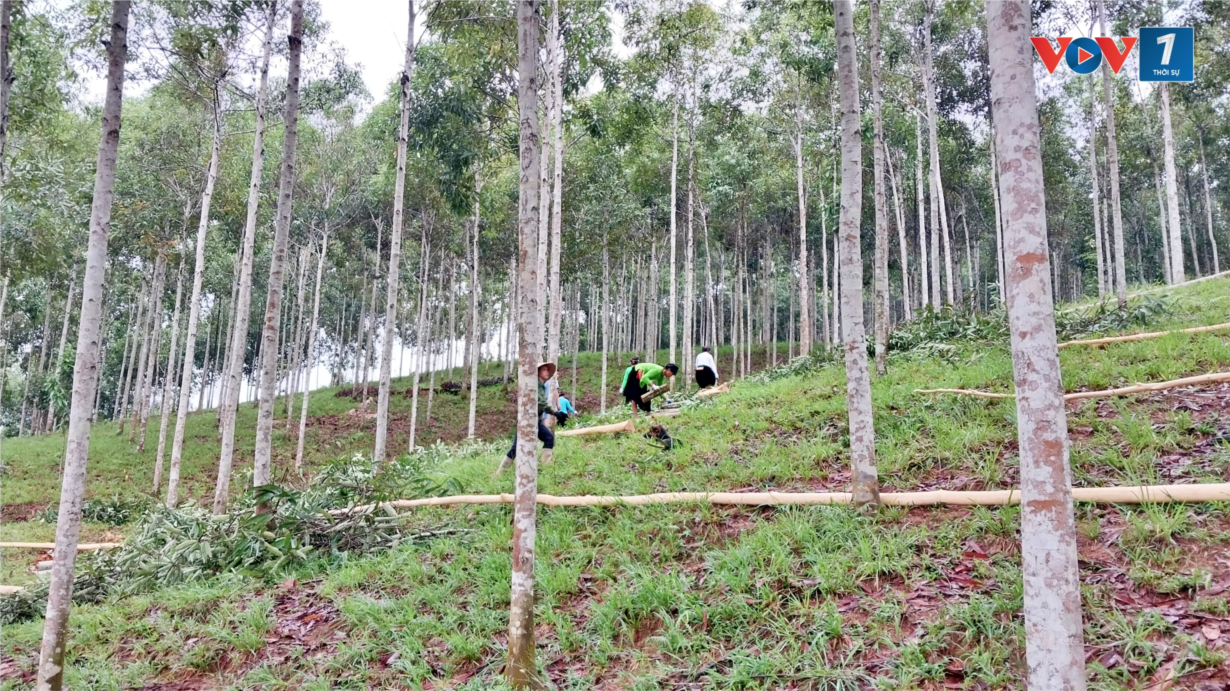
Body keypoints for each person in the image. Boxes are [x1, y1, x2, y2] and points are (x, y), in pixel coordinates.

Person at [496, 362, 565, 475]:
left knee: (548, 438)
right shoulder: (536, 385)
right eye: (544, 370)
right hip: (527, 420)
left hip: (534, 420)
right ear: (537, 372)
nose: (547, 372)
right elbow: (541, 403)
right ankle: (499, 473)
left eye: (548, 370)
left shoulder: (540, 385)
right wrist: (555, 413)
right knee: (516, 448)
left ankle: (546, 468)